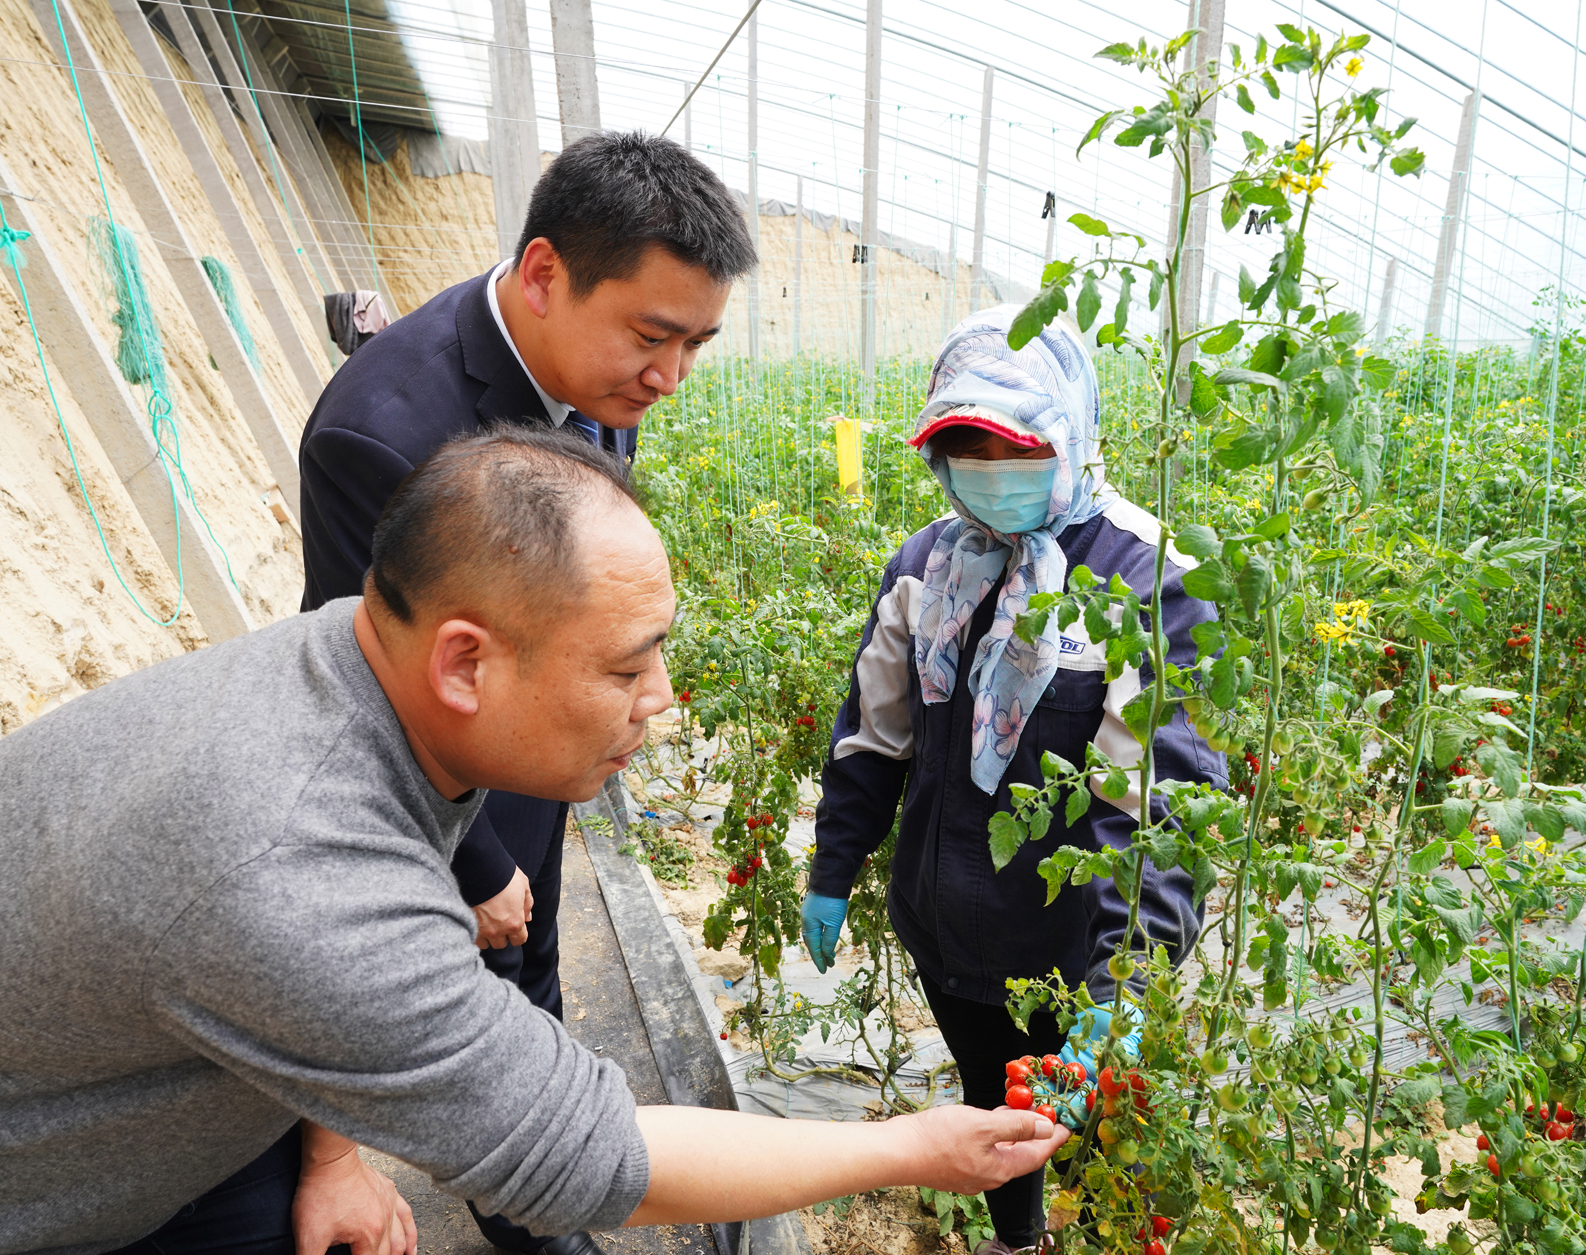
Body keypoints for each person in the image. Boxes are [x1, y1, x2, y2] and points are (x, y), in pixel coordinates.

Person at [0, 427, 1069, 1255]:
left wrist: (329, 1155)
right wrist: (911, 1147)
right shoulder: (298, 875)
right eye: (624, 667)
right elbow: (593, 1153)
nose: (659, 698)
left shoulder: (342, 667)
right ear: (466, 663)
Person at [296, 130, 753, 1255]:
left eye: (695, 345)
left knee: (530, 974)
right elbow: (360, 696)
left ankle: (532, 1206)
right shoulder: (383, 430)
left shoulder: (587, 384)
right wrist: (475, 862)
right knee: (461, 990)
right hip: (442, 791)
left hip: (529, 760)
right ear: (546, 273)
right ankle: (510, 1204)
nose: (667, 378)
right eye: (652, 337)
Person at [799, 309, 1227, 1255]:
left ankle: (1054, 1214)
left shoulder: (1146, 577)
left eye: (1014, 445)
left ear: (1068, 433)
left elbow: (1162, 802)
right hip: (943, 922)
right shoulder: (925, 564)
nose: (988, 469)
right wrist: (835, 867)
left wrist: (1120, 979)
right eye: (964, 446)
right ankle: (1018, 1237)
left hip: (1065, 950)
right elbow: (875, 734)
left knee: (1054, 1112)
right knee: (992, 1092)